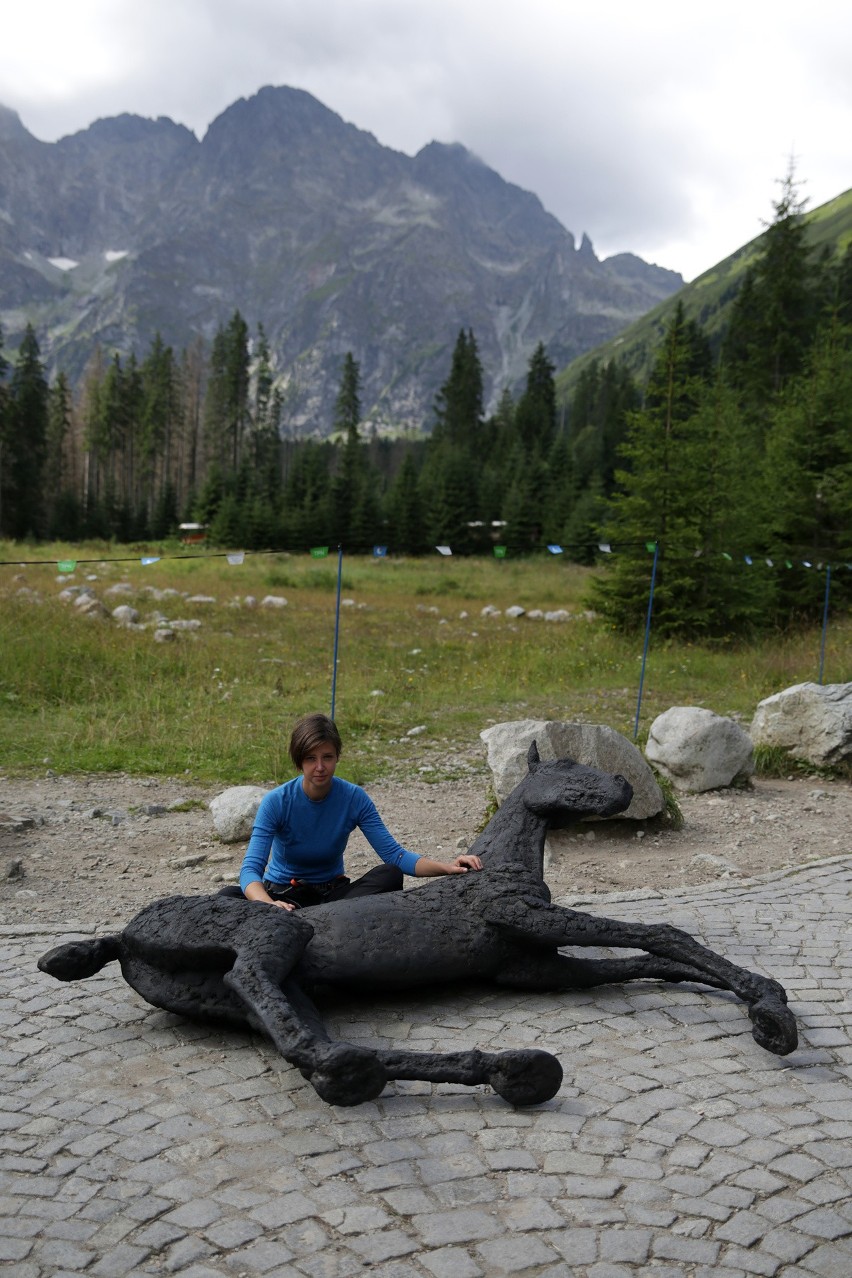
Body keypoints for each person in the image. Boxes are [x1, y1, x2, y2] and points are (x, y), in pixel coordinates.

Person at [231, 713, 481, 912]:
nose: (320, 767)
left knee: (389, 875)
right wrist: (268, 904)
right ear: (299, 762)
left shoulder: (354, 798)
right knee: (227, 897)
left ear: (337, 757)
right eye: (310, 759)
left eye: (327, 757)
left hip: (334, 895)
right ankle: (319, 916)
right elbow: (250, 869)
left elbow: (395, 856)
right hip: (284, 895)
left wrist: (450, 867)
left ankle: (321, 916)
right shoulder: (276, 801)